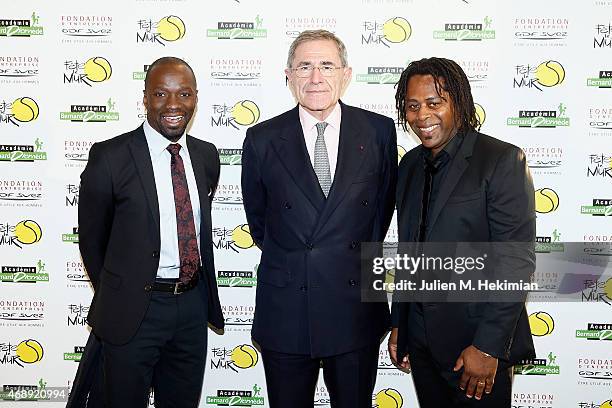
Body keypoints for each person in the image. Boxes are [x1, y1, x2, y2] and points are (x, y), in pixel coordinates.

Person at [241, 30, 397, 408]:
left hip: (355, 306)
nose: (315, 77)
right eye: (304, 66)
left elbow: (382, 211)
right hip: (287, 308)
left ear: (345, 74)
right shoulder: (261, 138)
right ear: (288, 76)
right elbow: (260, 222)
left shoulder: (378, 131)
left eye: (327, 66)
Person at [75, 56, 223, 407]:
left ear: (196, 98)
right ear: (145, 98)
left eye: (183, 94)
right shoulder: (109, 157)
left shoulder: (206, 156)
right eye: (161, 94)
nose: (173, 105)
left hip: (191, 308)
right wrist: (123, 289)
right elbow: (93, 242)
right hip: (134, 310)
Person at [388, 57, 536, 406]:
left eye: (434, 103)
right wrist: (401, 324)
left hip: (474, 346)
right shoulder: (408, 165)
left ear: (459, 102)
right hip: (421, 342)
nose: (422, 115)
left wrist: (487, 347)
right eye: (412, 106)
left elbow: (515, 262)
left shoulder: (500, 159)